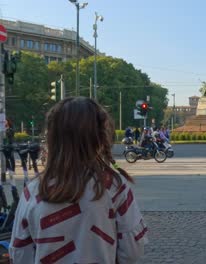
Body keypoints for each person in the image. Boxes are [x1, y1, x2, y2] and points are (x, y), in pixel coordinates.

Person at [9, 97, 148, 263]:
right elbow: (132, 252)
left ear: (52, 137)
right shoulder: (114, 187)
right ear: (100, 137)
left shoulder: (33, 191)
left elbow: (19, 253)